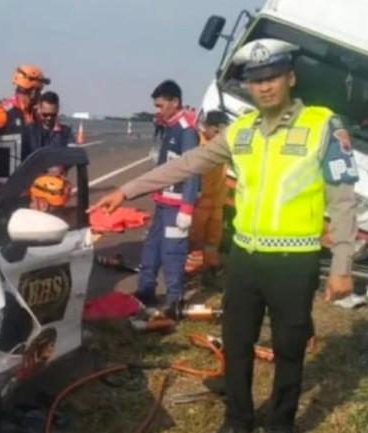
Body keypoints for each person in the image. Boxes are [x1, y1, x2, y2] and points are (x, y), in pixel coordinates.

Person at [92, 38, 358, 433]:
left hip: (295, 263)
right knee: (236, 344)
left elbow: (343, 202)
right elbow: (185, 165)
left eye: (273, 77)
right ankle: (238, 421)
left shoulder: (322, 125)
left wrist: (342, 266)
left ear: (290, 78)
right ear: (249, 85)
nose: (265, 86)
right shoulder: (240, 132)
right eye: (256, 79)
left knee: (289, 350)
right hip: (246, 260)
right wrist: (127, 190)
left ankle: (281, 423)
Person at [133, 80, 200, 309]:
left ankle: (174, 301)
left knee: (173, 253)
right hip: (162, 202)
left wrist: (187, 208)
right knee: (151, 248)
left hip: (176, 206)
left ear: (175, 102)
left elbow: (192, 169)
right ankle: (145, 291)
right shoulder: (170, 126)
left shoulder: (186, 130)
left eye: (161, 106)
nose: (157, 111)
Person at [186, 110, 230, 288]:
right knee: (193, 240)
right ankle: (187, 273)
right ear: (209, 128)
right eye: (217, 132)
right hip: (199, 204)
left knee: (213, 240)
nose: (220, 136)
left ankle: (210, 271)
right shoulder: (196, 145)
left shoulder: (223, 147)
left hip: (217, 203)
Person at [23, 91, 73, 161]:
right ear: (39, 109)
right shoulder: (29, 131)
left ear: (58, 109)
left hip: (57, 171)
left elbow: (72, 156)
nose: (49, 118)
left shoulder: (66, 132)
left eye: (53, 115)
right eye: (45, 114)